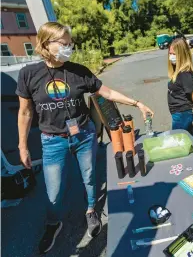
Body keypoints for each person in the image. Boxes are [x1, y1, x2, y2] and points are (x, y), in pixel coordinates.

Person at [16, 22, 154, 254]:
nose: (69, 48)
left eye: (70, 43)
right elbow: (25, 112)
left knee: (89, 177)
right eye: (64, 43)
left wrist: (137, 103)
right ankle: (53, 223)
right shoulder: (29, 74)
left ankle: (91, 210)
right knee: (53, 190)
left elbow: (106, 92)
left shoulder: (78, 71)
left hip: (84, 134)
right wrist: (22, 146)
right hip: (52, 141)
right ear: (46, 43)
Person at [167, 38, 193, 136]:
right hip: (181, 113)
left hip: (183, 113)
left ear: (182, 54)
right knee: (190, 137)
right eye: (170, 53)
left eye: (174, 54)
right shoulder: (178, 71)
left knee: (178, 140)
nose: (171, 56)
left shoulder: (184, 73)